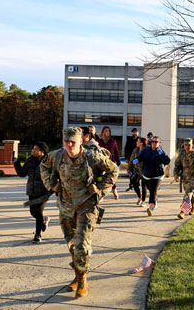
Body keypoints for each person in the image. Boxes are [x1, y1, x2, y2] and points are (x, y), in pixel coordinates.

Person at [40, 127, 119, 299]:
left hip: (87, 206)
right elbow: (43, 166)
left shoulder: (92, 157)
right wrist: (51, 184)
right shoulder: (57, 156)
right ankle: (77, 274)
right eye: (66, 141)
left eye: (73, 142)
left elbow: (114, 170)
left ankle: (82, 279)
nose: (69, 145)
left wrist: (99, 189)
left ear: (81, 141)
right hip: (66, 207)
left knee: (82, 244)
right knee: (72, 244)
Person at [14, 142, 52, 243]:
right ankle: (43, 220)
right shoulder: (30, 160)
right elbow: (22, 173)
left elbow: (54, 175)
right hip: (32, 190)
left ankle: (37, 235)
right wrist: (16, 163)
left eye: (35, 149)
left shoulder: (49, 161)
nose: (33, 151)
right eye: (33, 149)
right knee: (33, 212)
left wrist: (53, 188)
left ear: (42, 152)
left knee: (38, 212)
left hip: (44, 191)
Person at [133, 136, 171, 216]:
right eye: (152, 142)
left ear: (159, 143)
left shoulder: (161, 152)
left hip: (158, 175)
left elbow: (167, 161)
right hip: (147, 174)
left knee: (153, 189)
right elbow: (140, 157)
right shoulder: (145, 150)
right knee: (151, 191)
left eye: (156, 142)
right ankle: (155, 202)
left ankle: (151, 207)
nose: (154, 143)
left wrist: (162, 154)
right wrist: (137, 160)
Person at [98, 126, 121, 200]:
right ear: (103, 132)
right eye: (106, 131)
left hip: (111, 163)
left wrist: (118, 162)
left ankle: (114, 191)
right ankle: (100, 194)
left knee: (111, 178)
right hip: (101, 163)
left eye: (109, 131)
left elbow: (116, 152)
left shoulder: (113, 141)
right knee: (99, 178)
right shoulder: (99, 141)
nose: (108, 132)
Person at [129, 137, 147, 206]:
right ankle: (139, 197)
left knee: (143, 186)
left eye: (138, 141)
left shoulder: (146, 150)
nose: (136, 142)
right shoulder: (135, 150)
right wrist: (129, 168)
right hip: (137, 170)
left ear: (142, 143)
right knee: (134, 183)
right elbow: (131, 159)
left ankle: (143, 201)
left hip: (145, 171)